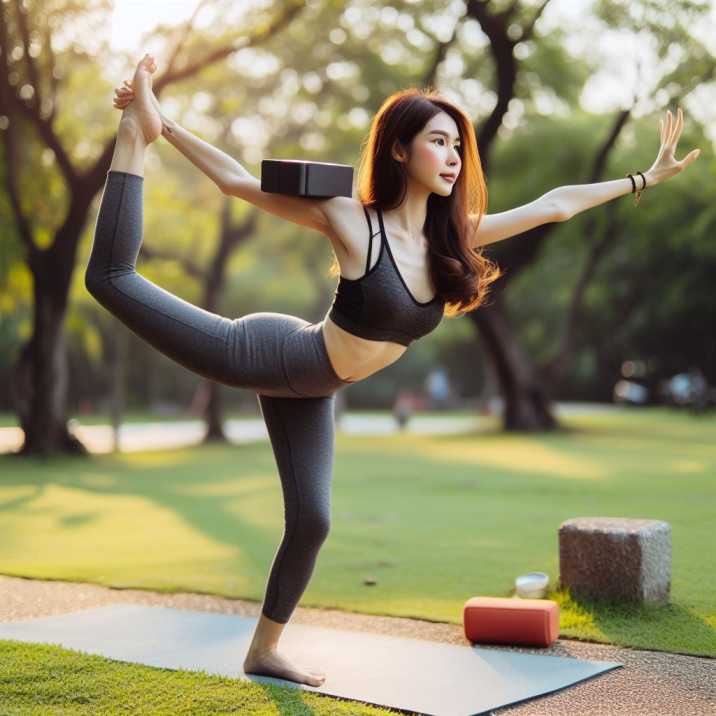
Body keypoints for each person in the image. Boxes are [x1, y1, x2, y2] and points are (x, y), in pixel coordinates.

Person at [94, 53, 699, 687]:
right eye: (437, 140)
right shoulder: (353, 222)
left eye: (457, 144)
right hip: (270, 353)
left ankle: (264, 651)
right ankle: (132, 139)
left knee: (313, 521)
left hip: (314, 387)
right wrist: (161, 124)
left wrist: (641, 180)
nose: (453, 154)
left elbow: (555, 205)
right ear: (400, 153)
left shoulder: (453, 242)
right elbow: (237, 181)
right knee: (112, 280)